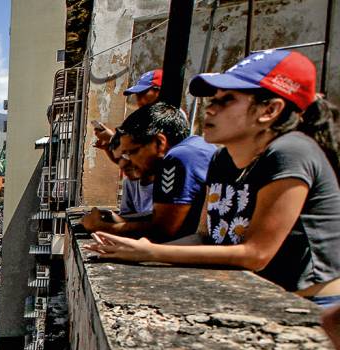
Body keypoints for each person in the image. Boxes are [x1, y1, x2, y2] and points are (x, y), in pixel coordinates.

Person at [85, 49, 340, 300]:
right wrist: (134, 250)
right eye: (212, 99)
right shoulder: (221, 159)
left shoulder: (291, 152)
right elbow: (205, 236)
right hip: (254, 294)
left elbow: (256, 254)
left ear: (270, 110)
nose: (210, 108)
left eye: (225, 100)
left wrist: (150, 253)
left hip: (310, 304)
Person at [82, 103, 216, 240]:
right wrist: (123, 220)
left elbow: (162, 231)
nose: (130, 162)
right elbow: (165, 216)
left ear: (159, 142)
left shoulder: (178, 158)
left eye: (132, 152)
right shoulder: (194, 145)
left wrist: (101, 227)